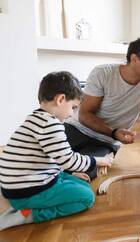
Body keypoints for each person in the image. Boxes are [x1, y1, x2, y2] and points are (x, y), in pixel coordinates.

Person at [0, 71, 113, 231]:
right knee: (86, 197)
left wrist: (67, 173)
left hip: (20, 184)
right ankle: (30, 214)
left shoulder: (36, 117)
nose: (72, 114)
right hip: (26, 192)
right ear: (60, 99)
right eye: (73, 107)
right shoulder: (50, 125)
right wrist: (99, 160)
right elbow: (69, 160)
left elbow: (49, 156)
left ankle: (57, 182)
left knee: (80, 181)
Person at [64, 38, 140, 178]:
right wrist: (113, 132)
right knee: (42, 160)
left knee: (83, 172)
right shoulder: (102, 73)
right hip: (76, 128)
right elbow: (84, 115)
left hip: (105, 141)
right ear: (134, 58)